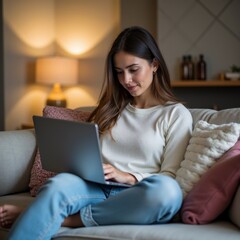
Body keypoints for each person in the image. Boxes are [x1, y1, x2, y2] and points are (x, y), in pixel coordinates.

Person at [0, 26, 192, 239]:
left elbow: (171, 177)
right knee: (58, 184)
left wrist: (128, 177)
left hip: (135, 194)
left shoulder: (176, 114)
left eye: (133, 69)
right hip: (95, 186)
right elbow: (87, 152)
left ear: (154, 65)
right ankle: (45, 214)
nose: (126, 80)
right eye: (119, 72)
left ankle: (64, 219)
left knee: (168, 192)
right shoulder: (112, 107)